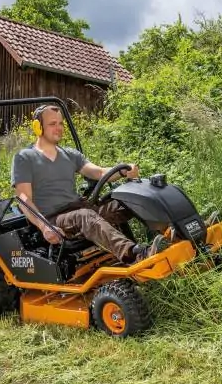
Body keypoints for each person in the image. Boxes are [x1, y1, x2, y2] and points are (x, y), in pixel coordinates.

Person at [10, 104, 165, 264]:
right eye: (52, 124)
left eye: (61, 123)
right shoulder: (24, 158)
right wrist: (44, 227)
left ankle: (167, 236)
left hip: (82, 208)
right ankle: (136, 256)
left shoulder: (70, 154)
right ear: (38, 127)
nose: (59, 128)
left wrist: (123, 171)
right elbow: (24, 198)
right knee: (85, 215)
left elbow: (98, 173)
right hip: (55, 218)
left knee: (128, 201)